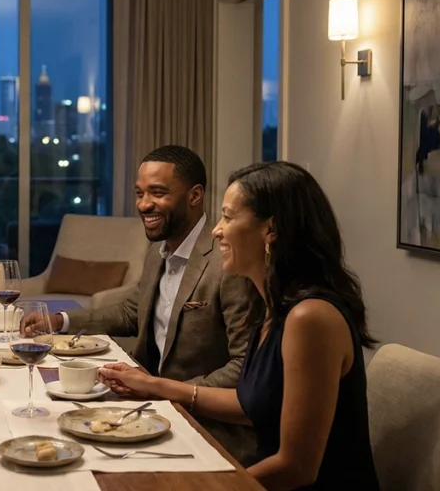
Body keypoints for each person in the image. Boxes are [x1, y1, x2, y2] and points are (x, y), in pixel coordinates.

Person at [99, 161, 380, 490]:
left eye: (229, 217)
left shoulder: (310, 318)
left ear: (270, 230)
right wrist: (153, 386)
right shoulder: (274, 306)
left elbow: (296, 468)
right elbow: (251, 406)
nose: (217, 229)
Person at [20, 144, 259, 463]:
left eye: (158, 193)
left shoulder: (226, 263)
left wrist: (162, 389)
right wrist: (59, 321)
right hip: (147, 405)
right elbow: (132, 312)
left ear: (195, 195)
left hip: (206, 425)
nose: (144, 205)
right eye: (139, 193)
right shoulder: (159, 249)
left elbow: (243, 367)